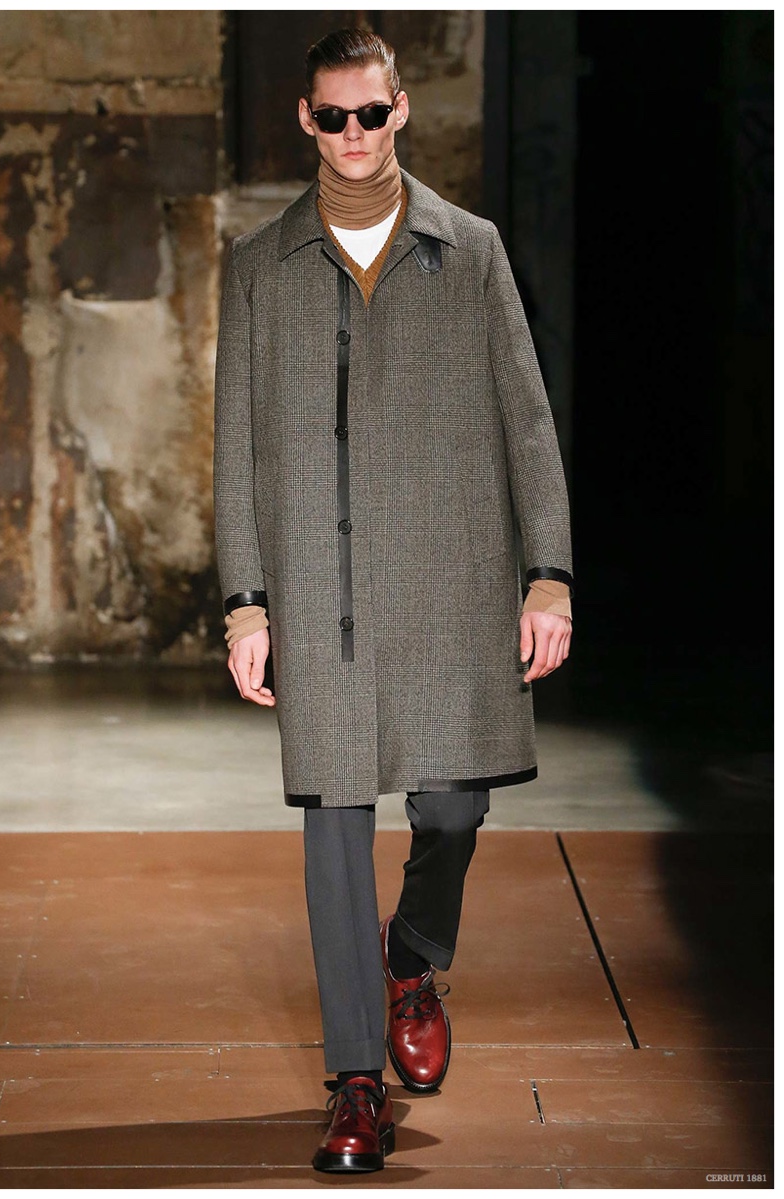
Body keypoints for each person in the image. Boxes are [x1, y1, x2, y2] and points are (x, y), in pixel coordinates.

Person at [213, 27, 573, 1174]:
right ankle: (354, 1077)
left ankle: (411, 954)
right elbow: (235, 451)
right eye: (334, 116)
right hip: (319, 582)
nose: (355, 134)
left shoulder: (468, 250)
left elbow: (526, 422)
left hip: (448, 576)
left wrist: (547, 575)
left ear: (400, 109)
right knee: (331, 821)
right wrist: (246, 604)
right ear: (307, 120)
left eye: (372, 113)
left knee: (453, 805)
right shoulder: (259, 264)